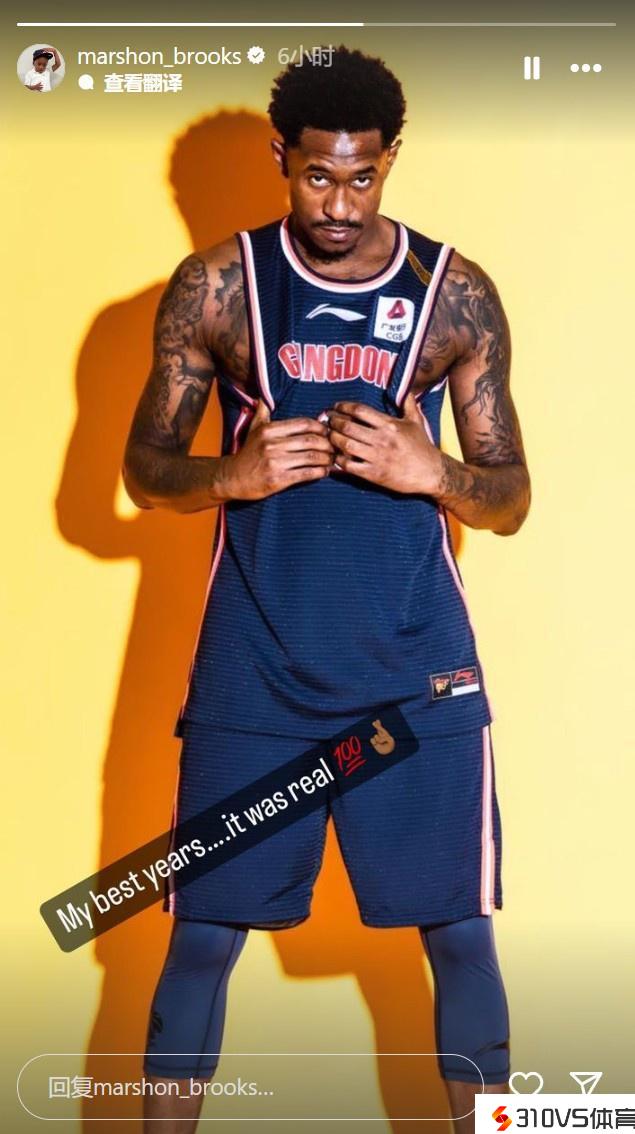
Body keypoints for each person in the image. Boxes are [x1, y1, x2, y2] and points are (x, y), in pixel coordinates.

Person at [122, 46, 530, 1134]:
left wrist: (430, 472)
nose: (339, 205)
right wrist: (229, 474)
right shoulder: (217, 288)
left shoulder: (453, 294)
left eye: (362, 177)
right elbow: (143, 470)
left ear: (389, 158)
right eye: (316, 177)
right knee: (200, 938)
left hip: (416, 678)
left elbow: (509, 497)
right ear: (280, 158)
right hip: (254, 674)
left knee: (462, 938)